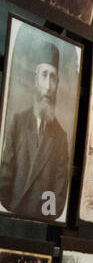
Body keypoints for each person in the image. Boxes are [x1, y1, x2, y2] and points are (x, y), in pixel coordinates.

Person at [0, 40, 70, 220]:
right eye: (44, 75)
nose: (47, 86)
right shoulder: (17, 123)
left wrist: (42, 217)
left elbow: (58, 196)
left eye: (53, 78)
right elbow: (4, 181)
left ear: (57, 84)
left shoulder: (61, 139)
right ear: (35, 79)